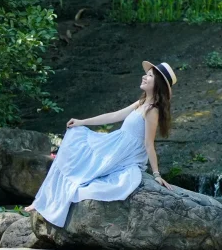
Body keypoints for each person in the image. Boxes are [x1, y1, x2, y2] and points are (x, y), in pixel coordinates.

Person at [26, 60, 175, 228]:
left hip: (125, 154)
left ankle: (45, 203)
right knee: (75, 136)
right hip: (115, 144)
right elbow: (113, 116)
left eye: (149, 76)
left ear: (158, 84)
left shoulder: (152, 110)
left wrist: (156, 174)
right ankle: (41, 201)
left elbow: (149, 143)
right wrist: (83, 122)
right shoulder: (141, 103)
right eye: (146, 74)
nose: (144, 76)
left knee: (82, 172)